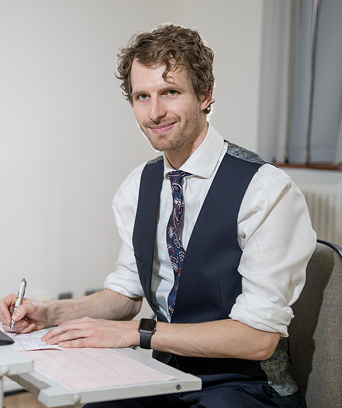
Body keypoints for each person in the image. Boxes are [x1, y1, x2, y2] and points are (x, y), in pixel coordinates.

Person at [0, 24, 316, 407]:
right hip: (164, 376)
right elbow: (125, 293)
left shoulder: (266, 190)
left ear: (205, 94)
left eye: (170, 92)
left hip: (246, 387)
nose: (155, 113)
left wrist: (137, 334)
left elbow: (257, 338)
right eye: (141, 96)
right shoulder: (139, 184)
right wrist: (50, 312)